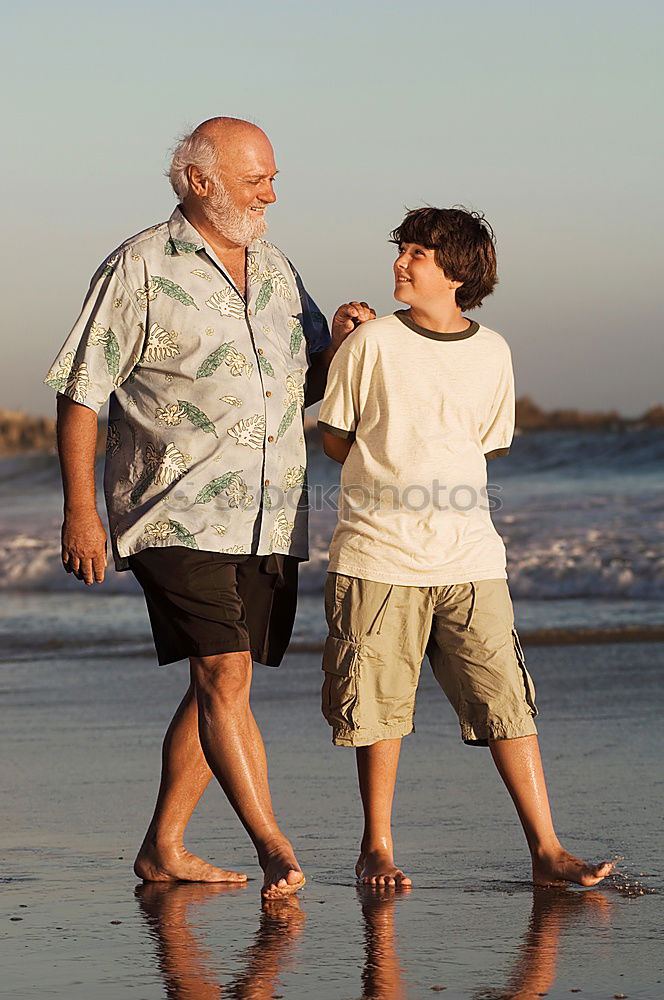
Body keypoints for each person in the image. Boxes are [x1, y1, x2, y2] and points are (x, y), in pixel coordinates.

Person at [44, 116, 374, 899]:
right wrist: (81, 514)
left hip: (269, 512)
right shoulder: (140, 267)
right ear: (201, 181)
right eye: (257, 177)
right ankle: (275, 847)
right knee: (223, 672)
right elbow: (81, 389)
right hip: (172, 509)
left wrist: (348, 344)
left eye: (272, 177)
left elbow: (313, 380)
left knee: (219, 685)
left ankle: (164, 847)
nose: (271, 192)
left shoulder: (278, 268)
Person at [317, 206, 614, 888]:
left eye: (415, 253)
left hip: (471, 560)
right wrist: (340, 351)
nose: (401, 262)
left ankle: (547, 849)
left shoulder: (494, 351)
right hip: (377, 555)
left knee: (506, 702)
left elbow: (485, 441)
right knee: (376, 709)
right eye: (403, 250)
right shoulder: (371, 345)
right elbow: (335, 442)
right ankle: (378, 848)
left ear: (454, 271)